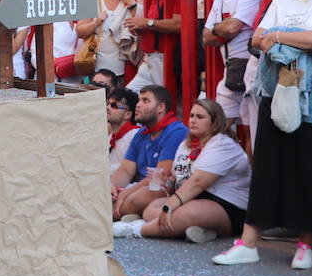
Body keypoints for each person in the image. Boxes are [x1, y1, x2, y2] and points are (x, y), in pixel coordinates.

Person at [213, 0, 312, 269]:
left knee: (311, 164)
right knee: (269, 162)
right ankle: (249, 241)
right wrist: (283, 36)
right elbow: (257, 38)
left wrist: (280, 36)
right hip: (277, 83)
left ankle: (306, 243)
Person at [114, 99, 251, 244]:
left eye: (200, 117)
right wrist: (167, 180)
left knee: (183, 212)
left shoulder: (223, 144)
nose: (193, 120)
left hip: (228, 205)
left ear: (214, 121)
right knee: (151, 208)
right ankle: (203, 231)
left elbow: (198, 182)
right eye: (191, 116)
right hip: (195, 198)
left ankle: (136, 230)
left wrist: (169, 206)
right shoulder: (186, 145)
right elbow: (179, 179)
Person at [202, 0, 264, 139]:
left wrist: (222, 29)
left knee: (251, 131)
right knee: (221, 127)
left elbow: (232, 28)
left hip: (249, 69)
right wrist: (226, 29)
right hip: (231, 71)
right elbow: (206, 37)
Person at [109, 85, 188, 221]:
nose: (138, 105)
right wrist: (111, 186)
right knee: (102, 191)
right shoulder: (141, 132)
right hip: (135, 188)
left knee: (144, 195)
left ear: (160, 108)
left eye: (145, 101)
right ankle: (126, 213)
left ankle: (119, 213)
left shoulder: (176, 132)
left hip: (159, 188)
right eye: (139, 100)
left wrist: (125, 193)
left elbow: (161, 175)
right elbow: (126, 170)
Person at [125, 0, 180, 93]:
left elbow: (179, 24)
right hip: (149, 60)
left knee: (169, 105)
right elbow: (152, 23)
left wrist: (147, 23)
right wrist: (140, 28)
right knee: (127, 97)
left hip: (166, 60)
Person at [74, 0, 137, 78]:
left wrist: (132, 4)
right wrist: (96, 22)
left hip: (124, 68)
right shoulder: (93, 0)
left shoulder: (130, 0)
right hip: (96, 67)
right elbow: (79, 31)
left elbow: (140, 25)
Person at [106, 86, 140, 173]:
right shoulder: (110, 136)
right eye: (108, 104)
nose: (107, 108)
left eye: (114, 105)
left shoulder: (135, 135)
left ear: (128, 114)